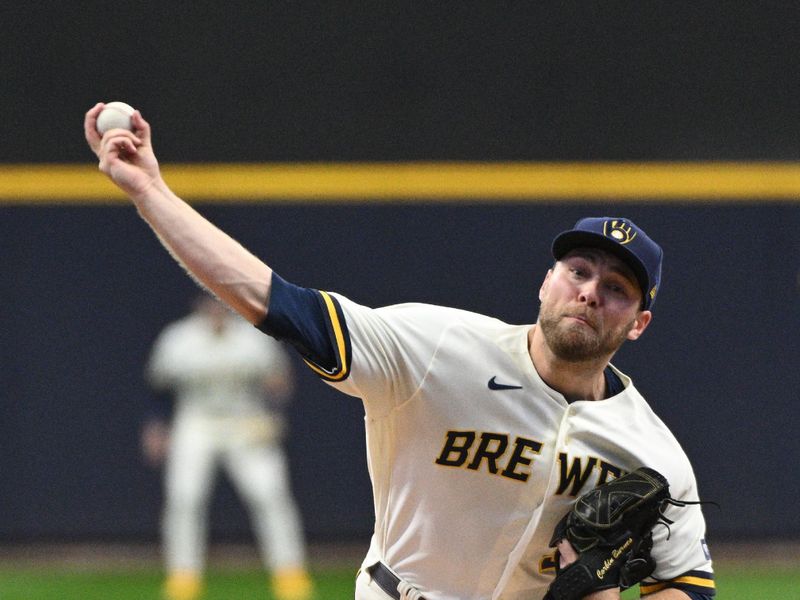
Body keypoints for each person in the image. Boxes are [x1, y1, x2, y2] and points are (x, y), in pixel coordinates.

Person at [85, 102, 715, 600]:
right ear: (545, 282)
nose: (589, 294)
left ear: (639, 323)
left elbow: (686, 582)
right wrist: (151, 194)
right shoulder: (436, 347)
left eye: (616, 289)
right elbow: (273, 301)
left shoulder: (653, 454)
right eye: (578, 271)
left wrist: (601, 590)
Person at [140, 293, 313, 600]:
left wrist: (274, 414)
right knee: (185, 497)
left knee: (269, 493)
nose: (216, 309)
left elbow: (279, 380)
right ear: (198, 305)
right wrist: (157, 426)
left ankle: (290, 576)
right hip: (196, 419)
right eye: (210, 302)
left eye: (221, 302)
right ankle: (183, 577)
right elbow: (160, 388)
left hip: (246, 417)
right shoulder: (179, 338)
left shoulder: (253, 338)